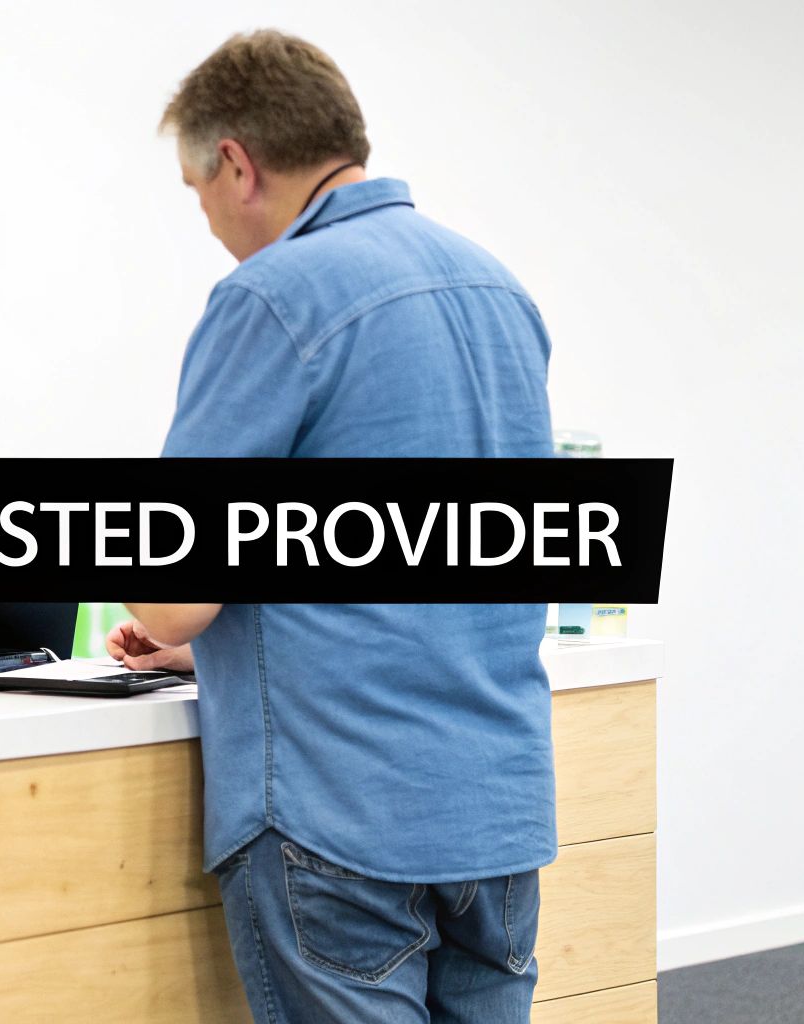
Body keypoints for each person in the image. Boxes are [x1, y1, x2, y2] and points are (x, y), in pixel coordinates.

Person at [108, 31, 557, 1023]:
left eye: (198, 192)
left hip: (339, 812)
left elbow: (172, 592)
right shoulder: (498, 290)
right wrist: (247, 648)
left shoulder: (271, 297)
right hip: (495, 803)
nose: (212, 222)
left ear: (237, 163)